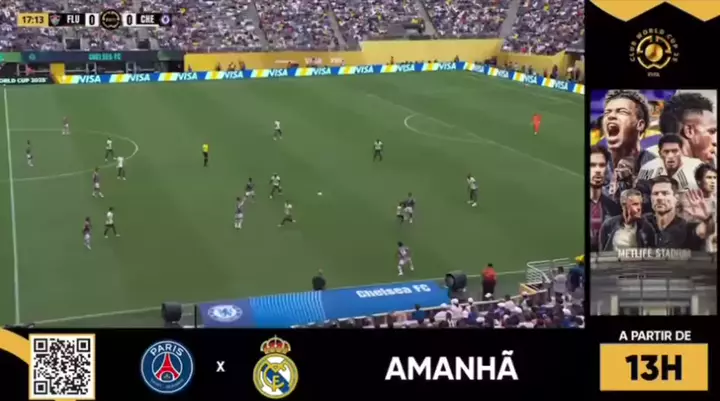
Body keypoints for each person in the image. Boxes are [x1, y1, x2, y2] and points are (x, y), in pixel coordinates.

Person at [658, 92, 716, 165]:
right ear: (689, 131)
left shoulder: (649, 167)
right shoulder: (696, 170)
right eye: (711, 132)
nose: (715, 142)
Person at [638, 134, 704, 192]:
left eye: (675, 151)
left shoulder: (697, 167)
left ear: (681, 151)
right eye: (666, 152)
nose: (670, 156)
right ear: (660, 153)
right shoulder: (647, 169)